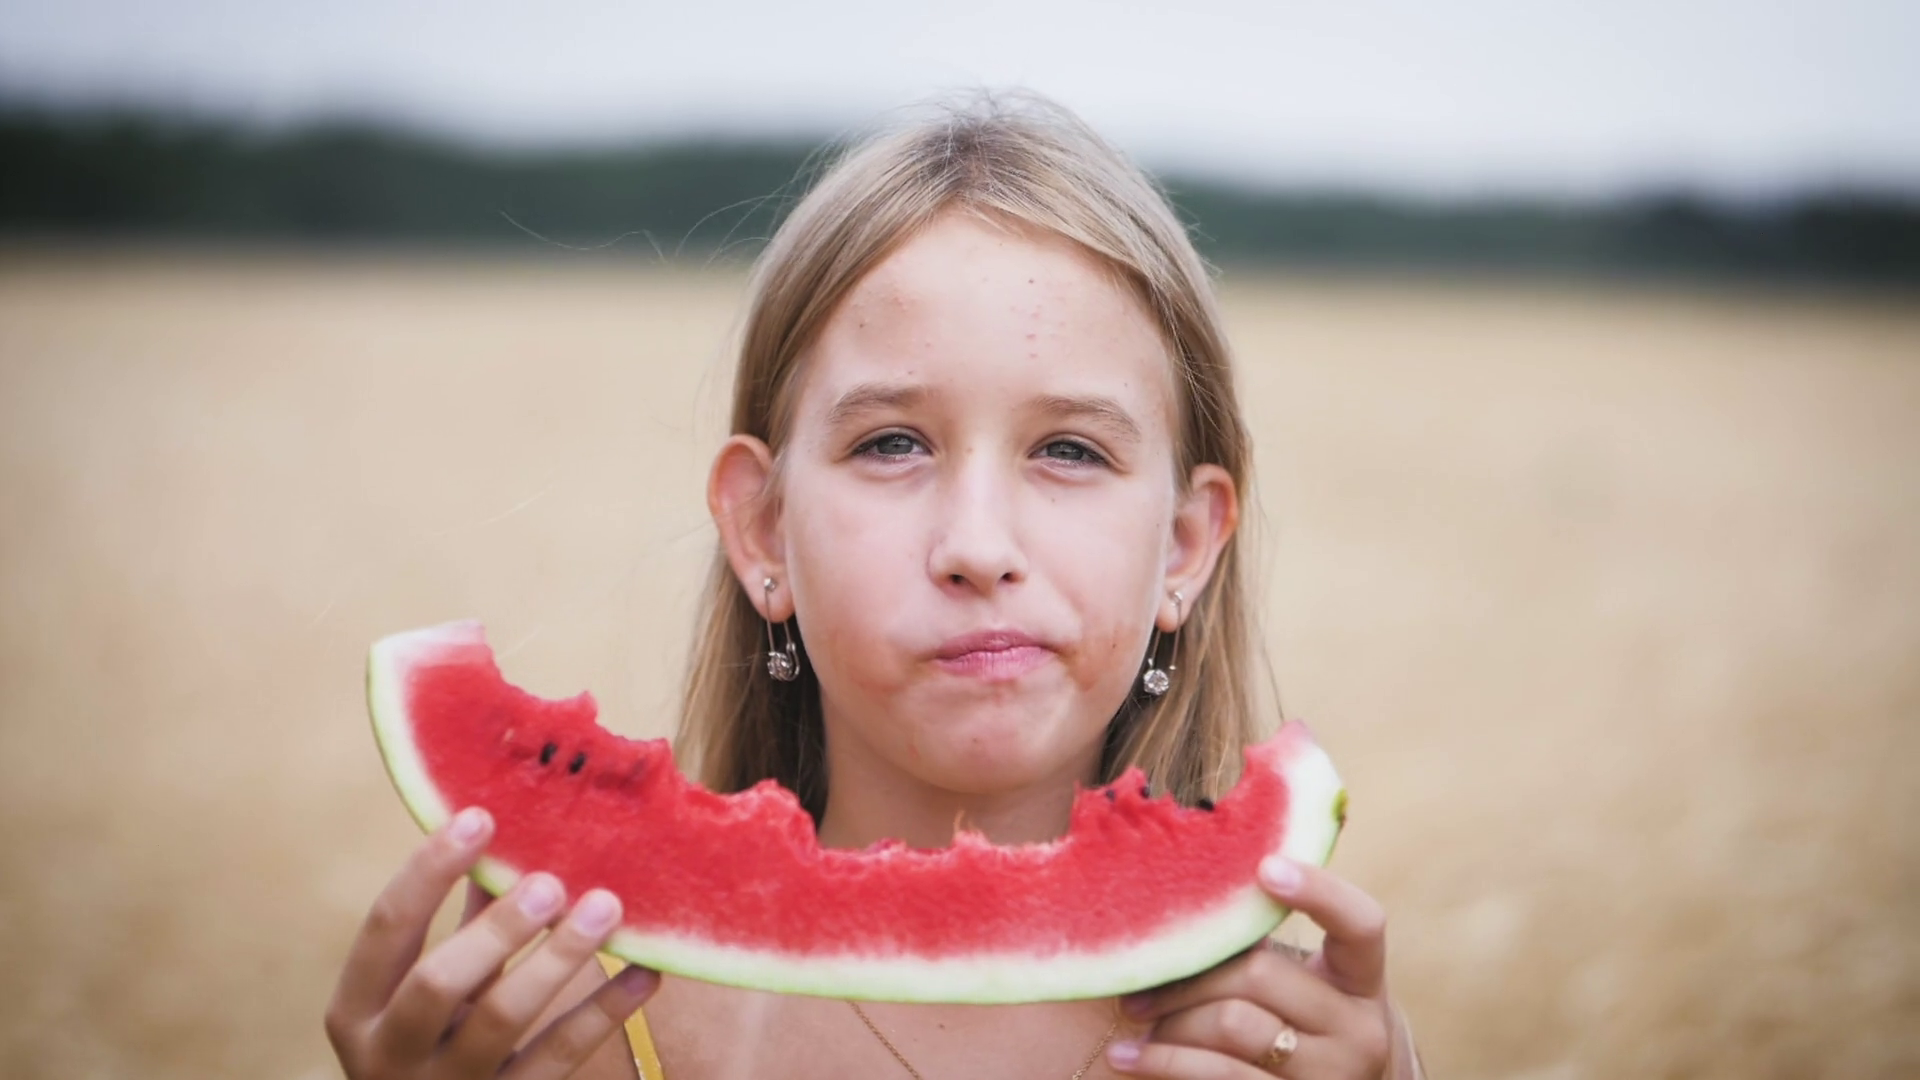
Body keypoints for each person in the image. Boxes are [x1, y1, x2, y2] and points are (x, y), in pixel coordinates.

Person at [324, 92, 1422, 1080]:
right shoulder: (572, 1039)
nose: (977, 545)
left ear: (1185, 548)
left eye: (1071, 451)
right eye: (893, 444)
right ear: (762, 529)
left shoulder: (1286, 1054)